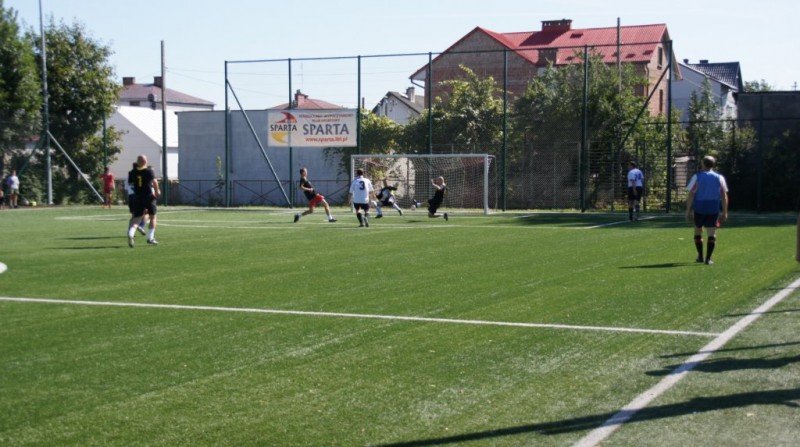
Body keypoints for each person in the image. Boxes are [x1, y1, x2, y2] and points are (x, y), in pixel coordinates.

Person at [685, 155, 728, 265]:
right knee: (711, 233)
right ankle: (708, 259)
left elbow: (691, 195)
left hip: (699, 208)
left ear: (702, 164)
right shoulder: (719, 177)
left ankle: (700, 256)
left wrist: (688, 210)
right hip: (713, 208)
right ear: (713, 164)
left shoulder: (697, 177)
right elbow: (724, 196)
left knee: (698, 230)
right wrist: (725, 212)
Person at [127, 155, 161, 247]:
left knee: (136, 219)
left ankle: (131, 233)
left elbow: (131, 184)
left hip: (137, 197)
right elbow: (154, 182)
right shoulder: (149, 171)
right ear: (146, 161)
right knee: (153, 217)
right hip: (148, 196)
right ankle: (150, 238)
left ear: (137, 162)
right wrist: (157, 191)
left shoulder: (132, 172)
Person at [125, 163, 147, 235]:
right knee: (145, 213)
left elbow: (126, 188)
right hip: (138, 196)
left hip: (131, 197)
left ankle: (130, 231)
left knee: (134, 215)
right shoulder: (140, 175)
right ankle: (140, 226)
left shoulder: (129, 175)